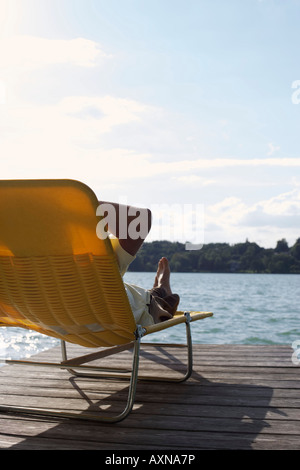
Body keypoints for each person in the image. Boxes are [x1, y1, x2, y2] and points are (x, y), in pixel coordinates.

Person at [97, 200, 180, 326]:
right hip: (114, 318)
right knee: (154, 303)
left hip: (61, 325)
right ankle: (162, 289)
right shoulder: (99, 254)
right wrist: (82, 204)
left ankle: (157, 290)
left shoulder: (58, 259)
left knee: (139, 295)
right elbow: (141, 218)